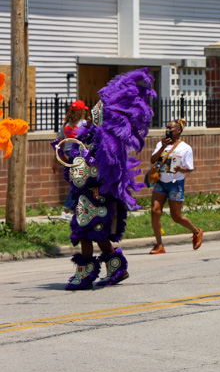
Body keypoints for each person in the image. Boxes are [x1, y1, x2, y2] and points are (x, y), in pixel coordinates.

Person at [52, 69, 156, 290]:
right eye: (89, 115)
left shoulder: (108, 142)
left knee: (96, 234)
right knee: (85, 234)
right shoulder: (85, 137)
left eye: (92, 115)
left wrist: (100, 187)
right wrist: (65, 161)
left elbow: (111, 169)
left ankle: (108, 269)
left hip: (98, 196)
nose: (88, 118)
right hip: (83, 195)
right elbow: (76, 163)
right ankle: (101, 270)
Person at [148, 118, 203, 254]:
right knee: (155, 211)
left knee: (176, 217)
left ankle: (197, 232)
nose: (168, 130)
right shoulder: (161, 144)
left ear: (178, 131)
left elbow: (190, 168)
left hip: (175, 184)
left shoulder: (185, 148)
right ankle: (159, 245)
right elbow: (152, 160)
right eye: (167, 127)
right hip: (161, 181)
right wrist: (161, 147)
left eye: (171, 128)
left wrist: (180, 169)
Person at [51, 100, 90, 221]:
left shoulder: (65, 126)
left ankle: (77, 209)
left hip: (67, 156)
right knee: (77, 183)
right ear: (81, 111)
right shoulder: (84, 124)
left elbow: (59, 145)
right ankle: (66, 211)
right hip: (78, 155)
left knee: (77, 183)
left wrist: (55, 161)